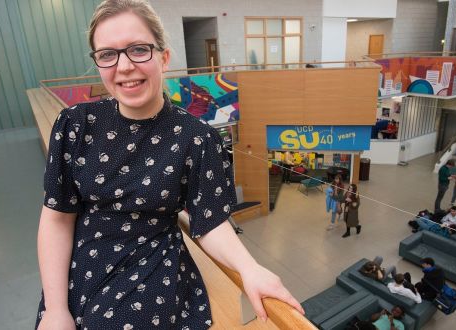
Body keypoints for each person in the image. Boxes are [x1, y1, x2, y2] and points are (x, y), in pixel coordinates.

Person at [35, 1, 303, 329]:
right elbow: (57, 219)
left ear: (164, 57)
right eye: (108, 54)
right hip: (80, 265)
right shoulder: (75, 125)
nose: (124, 66)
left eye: (138, 49)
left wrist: (248, 267)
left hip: (151, 270)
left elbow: (210, 220)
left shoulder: (197, 138)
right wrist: (55, 308)